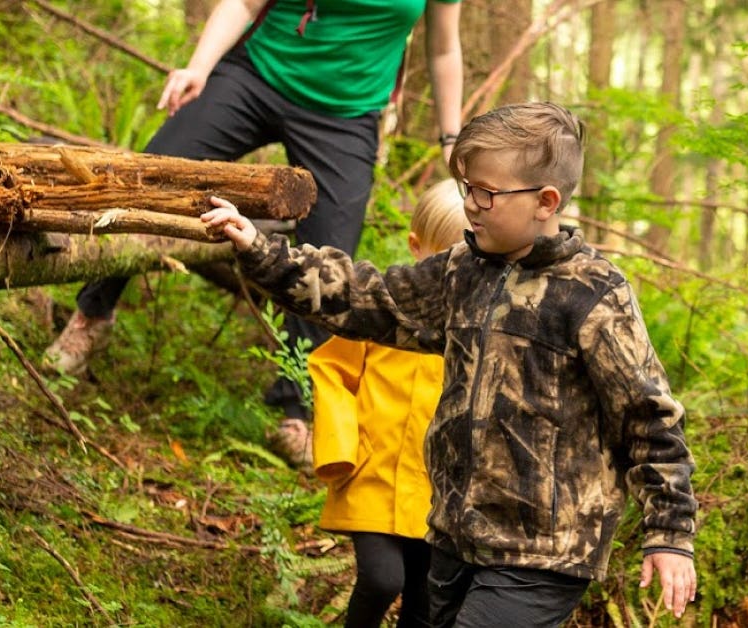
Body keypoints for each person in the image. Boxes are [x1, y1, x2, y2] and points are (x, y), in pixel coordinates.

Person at [201, 101, 698, 627]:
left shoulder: (595, 294)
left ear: (546, 202)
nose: (472, 205)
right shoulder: (462, 271)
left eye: (486, 191)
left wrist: (669, 533)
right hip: (455, 537)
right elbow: (367, 297)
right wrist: (260, 248)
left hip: (544, 551)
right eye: (466, 188)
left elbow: (648, 417)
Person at [43, 0, 464, 466]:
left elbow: (443, 49)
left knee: (325, 256)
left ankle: (296, 407)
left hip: (347, 112)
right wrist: (198, 68)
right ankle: (92, 316)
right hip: (257, 77)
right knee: (155, 174)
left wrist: (451, 138)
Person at [310, 180, 467, 628]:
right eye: (443, 259)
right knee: (382, 580)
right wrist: (342, 446)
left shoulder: (471, 326)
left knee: (425, 600)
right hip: (372, 475)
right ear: (417, 247)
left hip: (437, 491)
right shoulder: (382, 308)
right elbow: (331, 370)